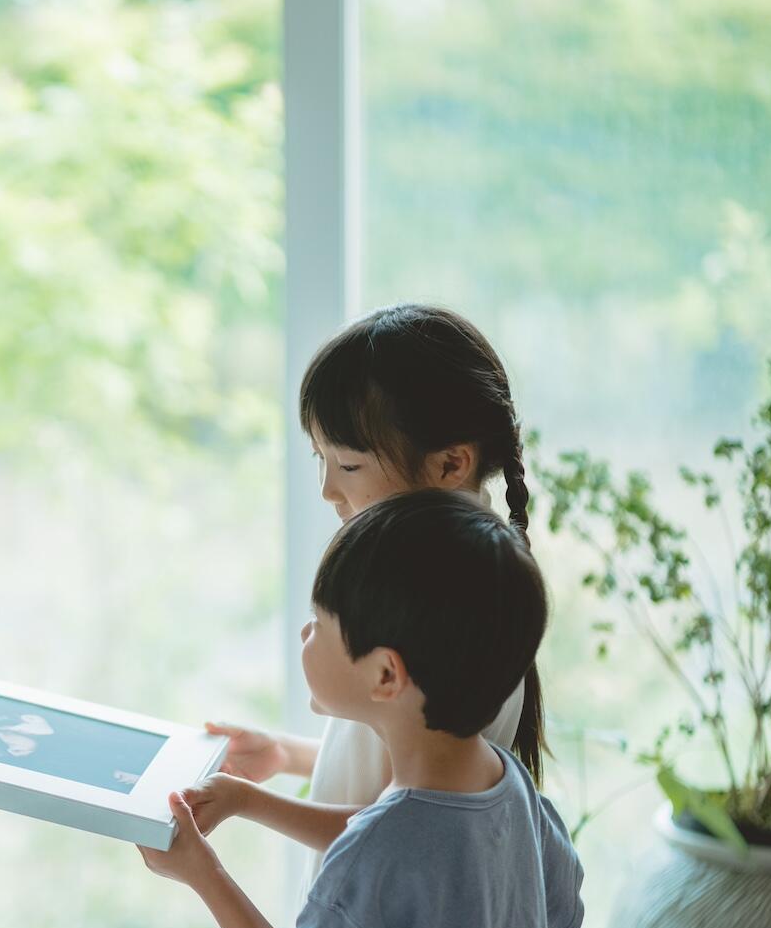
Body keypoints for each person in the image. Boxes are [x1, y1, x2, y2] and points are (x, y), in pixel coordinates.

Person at [141, 489, 584, 928]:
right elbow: (563, 905)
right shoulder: (507, 785)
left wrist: (203, 873)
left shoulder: (376, 852)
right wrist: (254, 794)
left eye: (319, 623)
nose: (303, 635)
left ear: (384, 674)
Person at [198, 303, 545, 894]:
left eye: (349, 463)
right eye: (322, 459)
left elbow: (397, 828)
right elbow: (396, 762)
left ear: (451, 463)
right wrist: (287, 754)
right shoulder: (458, 578)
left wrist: (247, 803)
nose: (329, 488)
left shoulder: (441, 608)